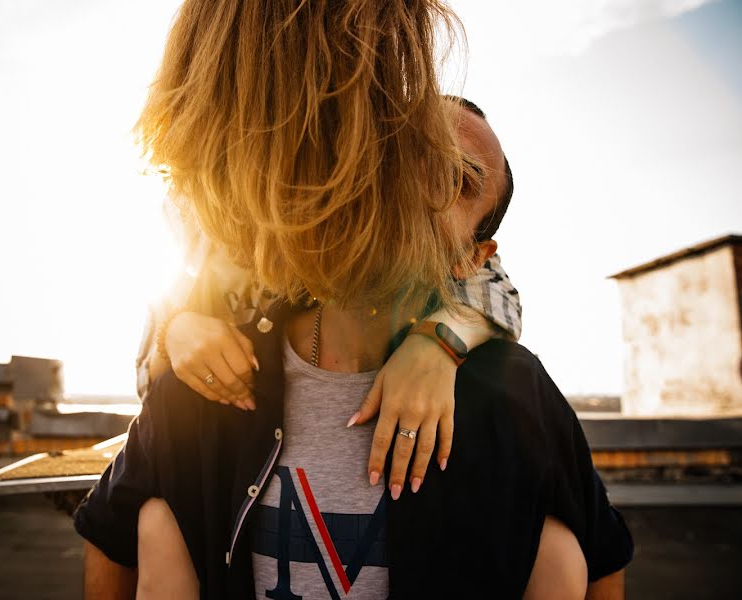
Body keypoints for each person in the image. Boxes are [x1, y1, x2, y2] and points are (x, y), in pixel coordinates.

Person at [74, 95, 633, 598]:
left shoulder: (515, 390)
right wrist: (181, 328)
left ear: (471, 257)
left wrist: (439, 343)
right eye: (401, 151)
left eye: (458, 179)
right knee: (155, 524)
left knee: (561, 553)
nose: (420, 184)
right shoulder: (213, 358)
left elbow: (602, 552)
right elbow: (112, 529)